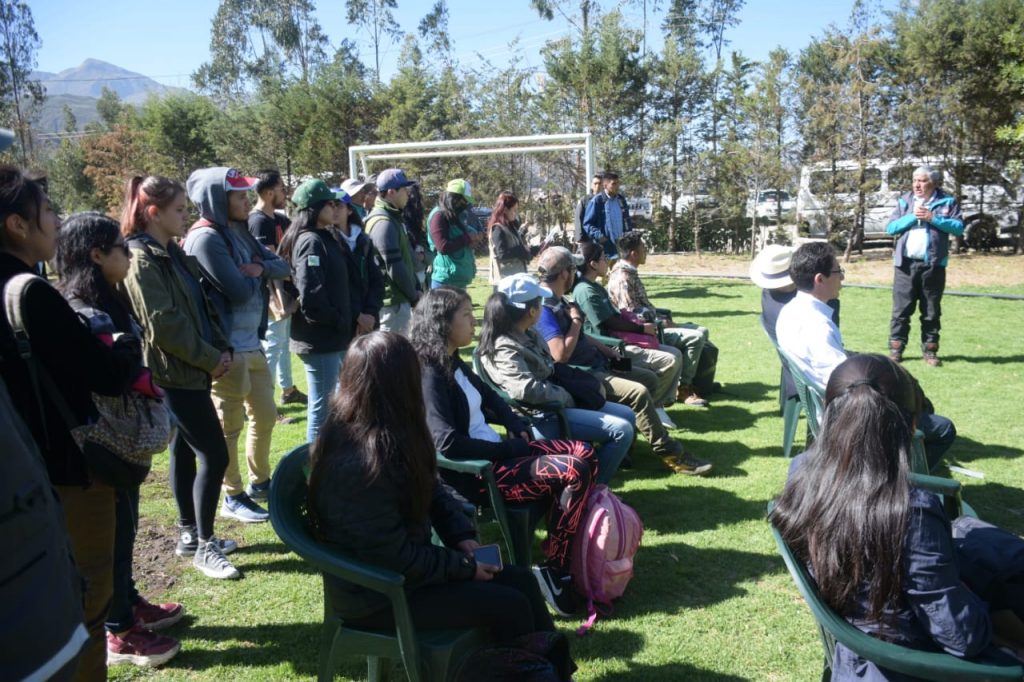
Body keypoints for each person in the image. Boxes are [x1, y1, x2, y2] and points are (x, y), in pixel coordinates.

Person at [306, 331, 574, 677]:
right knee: (510, 606)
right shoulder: (359, 464)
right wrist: (463, 567)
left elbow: (433, 491)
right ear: (401, 384)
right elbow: (393, 556)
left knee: (522, 582)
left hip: (409, 575)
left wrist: (462, 536)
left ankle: (553, 673)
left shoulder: (390, 432)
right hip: (380, 594)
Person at [770, 354, 1017, 680]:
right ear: (912, 426)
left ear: (830, 414)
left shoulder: (801, 472)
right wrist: (985, 610)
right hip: (906, 663)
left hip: (861, 638)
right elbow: (962, 636)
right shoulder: (910, 512)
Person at [0, 166, 143, 680]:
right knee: (86, 602)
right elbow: (102, 374)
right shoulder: (31, 292)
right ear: (18, 224)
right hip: (66, 471)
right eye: (47, 210)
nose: (58, 221)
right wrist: (124, 350)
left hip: (20, 474)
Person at [410, 286, 599, 615]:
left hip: (499, 456)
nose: (474, 321)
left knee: (583, 451)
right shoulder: (430, 374)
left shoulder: (451, 360)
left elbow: (490, 397)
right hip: (479, 474)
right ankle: (557, 571)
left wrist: (513, 422)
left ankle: (561, 545)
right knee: (574, 470)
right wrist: (510, 447)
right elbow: (447, 443)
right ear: (443, 323)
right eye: (466, 315)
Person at [55, 212, 182, 667]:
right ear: (96, 255)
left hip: (119, 440)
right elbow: (107, 375)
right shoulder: (78, 311)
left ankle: (126, 601)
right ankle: (120, 632)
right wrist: (132, 363)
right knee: (113, 536)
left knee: (126, 524)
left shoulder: (105, 300)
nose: (129, 255)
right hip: (100, 443)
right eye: (121, 248)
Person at [120, 175, 241, 581]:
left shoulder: (172, 252)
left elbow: (202, 305)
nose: (186, 216)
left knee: (185, 451)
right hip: (173, 373)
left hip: (194, 368)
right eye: (179, 210)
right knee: (215, 454)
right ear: (154, 213)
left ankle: (190, 534)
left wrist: (221, 347)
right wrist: (209, 359)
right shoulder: (141, 259)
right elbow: (164, 326)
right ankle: (205, 545)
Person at [775, 241, 956, 470]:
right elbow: (849, 385)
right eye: (838, 272)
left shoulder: (789, 311)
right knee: (943, 428)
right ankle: (895, 477)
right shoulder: (817, 326)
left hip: (833, 407)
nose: (842, 277)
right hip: (850, 416)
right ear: (819, 279)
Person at [535, 246, 712, 476]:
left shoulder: (558, 300)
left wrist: (606, 350)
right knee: (638, 393)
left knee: (649, 378)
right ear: (564, 273)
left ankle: (627, 446)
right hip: (581, 374)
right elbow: (560, 355)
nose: (575, 272)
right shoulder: (544, 307)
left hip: (598, 362)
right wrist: (577, 321)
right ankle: (670, 452)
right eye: (572, 268)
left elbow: (581, 336)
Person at [184, 167, 290, 522]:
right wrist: (259, 270)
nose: (248, 201)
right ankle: (232, 495)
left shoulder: (240, 230)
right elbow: (239, 290)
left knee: (265, 416)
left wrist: (258, 268)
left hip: (252, 344)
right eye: (240, 196)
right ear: (218, 199)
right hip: (227, 350)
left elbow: (282, 267)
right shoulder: (206, 238)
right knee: (229, 426)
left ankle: (261, 483)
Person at [478, 273, 636, 484]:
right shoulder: (505, 346)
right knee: (621, 431)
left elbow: (549, 368)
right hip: (542, 415)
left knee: (627, 414)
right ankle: (592, 490)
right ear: (532, 311)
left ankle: (591, 475)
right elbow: (525, 390)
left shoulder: (528, 333)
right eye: (540, 302)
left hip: (554, 403)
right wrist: (566, 396)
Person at [574, 240, 685, 426]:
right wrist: (641, 329)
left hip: (620, 340)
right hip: (611, 348)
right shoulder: (585, 291)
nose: (607, 261)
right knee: (669, 360)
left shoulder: (595, 287)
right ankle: (654, 407)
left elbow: (616, 316)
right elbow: (608, 322)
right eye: (603, 258)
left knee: (675, 353)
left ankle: (656, 405)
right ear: (592, 264)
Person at [277, 179, 352, 443]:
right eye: (330, 203)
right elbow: (311, 295)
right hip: (320, 339)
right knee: (322, 408)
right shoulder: (310, 241)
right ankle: (314, 461)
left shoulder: (325, 237)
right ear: (315, 208)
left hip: (333, 336)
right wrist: (337, 320)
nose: (336, 208)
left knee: (334, 404)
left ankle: (330, 456)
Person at [886, 165, 964, 367]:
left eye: (922, 181)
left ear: (934, 183)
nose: (917, 185)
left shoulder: (947, 202)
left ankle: (930, 351)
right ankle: (896, 350)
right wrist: (913, 216)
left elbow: (958, 228)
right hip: (905, 265)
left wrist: (932, 218)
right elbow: (891, 228)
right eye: (915, 180)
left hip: (933, 266)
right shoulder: (905, 201)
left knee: (931, 312)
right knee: (901, 311)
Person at [248, 169, 307, 412]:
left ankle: (288, 390)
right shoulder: (258, 221)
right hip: (271, 294)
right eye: (282, 188)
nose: (286, 192)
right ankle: (266, 404)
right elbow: (270, 262)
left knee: (282, 344)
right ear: (269, 192)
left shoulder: (279, 219)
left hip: (284, 289)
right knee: (272, 346)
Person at [750, 243, 839, 404]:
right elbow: (832, 368)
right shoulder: (808, 317)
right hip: (810, 378)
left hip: (798, 369)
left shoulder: (769, 295)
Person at [364, 168, 420, 336]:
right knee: (392, 351)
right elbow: (394, 268)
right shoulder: (384, 222)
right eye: (404, 189)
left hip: (398, 300)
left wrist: (416, 287)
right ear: (391, 192)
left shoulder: (393, 217)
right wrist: (414, 296)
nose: (408, 194)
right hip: (392, 305)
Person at [332, 187, 384, 338]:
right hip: (343, 322)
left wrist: (370, 313)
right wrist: (358, 316)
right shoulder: (325, 242)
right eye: (330, 205)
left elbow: (377, 280)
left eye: (339, 205)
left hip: (369, 320)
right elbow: (335, 287)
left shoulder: (364, 240)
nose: (334, 210)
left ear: (349, 210)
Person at [427, 178, 484, 290]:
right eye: (463, 201)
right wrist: (468, 238)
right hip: (445, 282)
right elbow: (442, 246)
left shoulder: (454, 215)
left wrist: (472, 241)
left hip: (458, 281)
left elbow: (458, 241)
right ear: (453, 198)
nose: (465, 205)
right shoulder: (438, 215)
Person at [582, 171, 633, 260]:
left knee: (622, 268)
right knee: (608, 268)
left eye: (618, 183)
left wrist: (629, 235)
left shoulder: (621, 200)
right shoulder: (597, 201)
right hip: (606, 246)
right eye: (614, 184)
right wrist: (600, 237)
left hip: (622, 244)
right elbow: (587, 224)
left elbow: (627, 220)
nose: (617, 186)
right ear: (605, 185)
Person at [488, 191, 531, 283]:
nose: (516, 213)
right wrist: (522, 250)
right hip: (505, 281)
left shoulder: (511, 226)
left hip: (517, 278)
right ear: (505, 210)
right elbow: (502, 254)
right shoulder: (497, 229)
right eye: (514, 210)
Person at [573, 172, 603, 244]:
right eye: (595, 183)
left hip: (604, 237)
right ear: (591, 185)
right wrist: (580, 237)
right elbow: (578, 217)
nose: (597, 186)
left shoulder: (606, 200)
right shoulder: (584, 200)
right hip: (588, 239)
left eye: (600, 183)